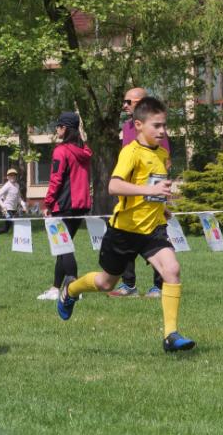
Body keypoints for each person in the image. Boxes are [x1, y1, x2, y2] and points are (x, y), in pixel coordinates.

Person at [56, 97, 195, 352]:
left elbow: (150, 188)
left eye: (164, 125)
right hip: (124, 230)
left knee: (172, 269)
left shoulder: (162, 154)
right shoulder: (130, 152)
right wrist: (150, 190)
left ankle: (170, 335)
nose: (162, 131)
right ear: (139, 125)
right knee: (105, 283)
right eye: (156, 125)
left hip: (152, 229)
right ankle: (71, 289)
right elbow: (114, 186)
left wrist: (161, 207)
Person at [108, 87, 166, 298]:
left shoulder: (157, 131)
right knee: (105, 281)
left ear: (141, 102)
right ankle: (128, 284)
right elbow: (119, 178)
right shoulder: (127, 129)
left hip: (152, 207)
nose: (124, 105)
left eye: (128, 102)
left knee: (169, 265)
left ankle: (158, 287)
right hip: (129, 207)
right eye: (124, 101)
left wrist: (159, 200)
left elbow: (162, 166)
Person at [37, 111, 92, 300]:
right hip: (82, 204)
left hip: (64, 204)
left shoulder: (61, 151)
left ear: (65, 128)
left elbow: (56, 179)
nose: (56, 129)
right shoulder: (85, 150)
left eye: (58, 126)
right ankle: (55, 289)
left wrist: (47, 203)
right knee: (62, 246)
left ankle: (74, 288)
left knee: (64, 246)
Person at [0, 169, 26, 235]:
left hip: (14, 209)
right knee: (16, 225)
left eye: (14, 175)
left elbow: (18, 198)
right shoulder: (7, 186)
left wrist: (23, 205)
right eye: (10, 175)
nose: (12, 177)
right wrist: (3, 207)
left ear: (16, 177)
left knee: (6, 229)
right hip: (6, 210)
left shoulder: (17, 185)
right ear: (7, 177)